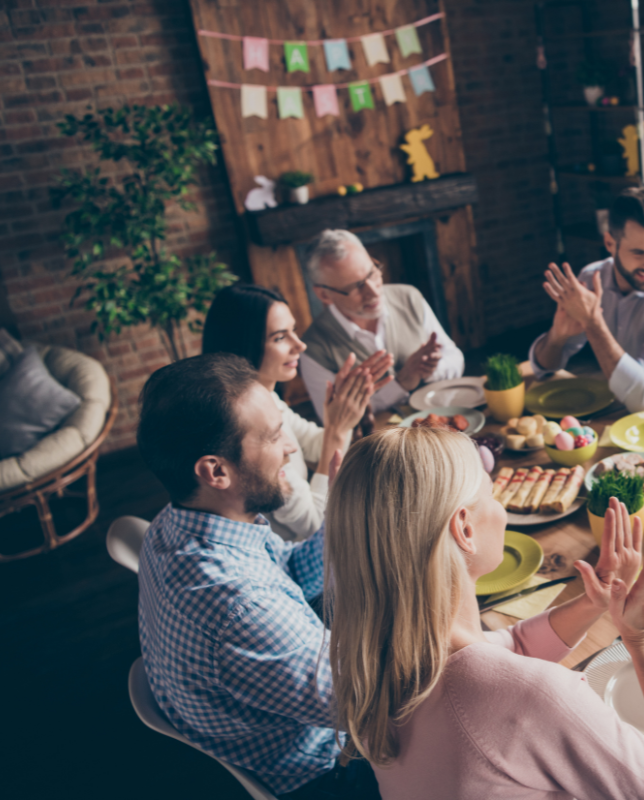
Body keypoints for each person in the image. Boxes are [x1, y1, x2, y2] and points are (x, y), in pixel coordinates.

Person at [323, 426, 644, 799]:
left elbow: (507, 648)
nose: (500, 510)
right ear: (464, 529)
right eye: (492, 494)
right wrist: (643, 637)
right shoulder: (535, 696)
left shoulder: (378, 661)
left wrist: (594, 602)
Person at [136, 354, 379, 800]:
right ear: (216, 471)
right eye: (271, 436)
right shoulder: (236, 605)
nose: (290, 446)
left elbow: (289, 571)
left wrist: (343, 521)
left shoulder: (177, 524)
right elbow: (366, 703)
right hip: (331, 775)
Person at [203, 284, 389, 540]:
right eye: (280, 337)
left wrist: (346, 409)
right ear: (241, 345)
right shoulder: (250, 433)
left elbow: (314, 445)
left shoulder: (267, 399)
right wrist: (337, 430)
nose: (300, 345)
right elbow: (315, 526)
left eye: (294, 331)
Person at [529, 187, 644, 424]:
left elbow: (642, 398)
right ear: (610, 242)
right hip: (629, 414)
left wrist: (592, 322)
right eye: (639, 252)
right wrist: (557, 336)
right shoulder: (591, 278)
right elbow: (543, 370)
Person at [299, 229, 464, 422]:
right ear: (324, 295)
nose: (373, 291)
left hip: (441, 423)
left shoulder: (408, 297)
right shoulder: (312, 348)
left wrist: (428, 370)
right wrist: (401, 383)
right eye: (355, 286)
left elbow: (455, 359)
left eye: (372, 272)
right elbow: (331, 418)